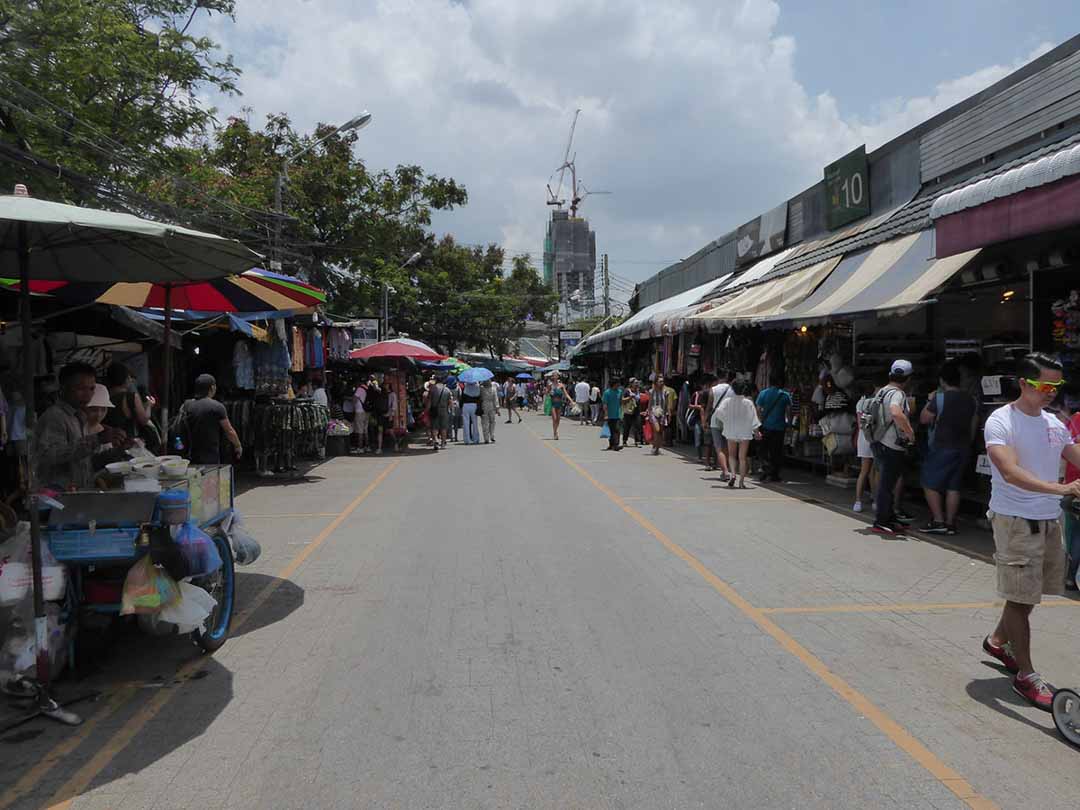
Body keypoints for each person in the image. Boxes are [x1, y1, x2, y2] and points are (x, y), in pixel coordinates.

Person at [981, 353, 1080, 710]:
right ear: (1024, 383)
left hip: (1048, 522)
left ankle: (996, 641)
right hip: (1015, 522)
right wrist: (1062, 490)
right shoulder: (1000, 421)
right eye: (1044, 386)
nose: (1051, 392)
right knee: (1021, 601)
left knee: (1027, 596)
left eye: (1057, 386)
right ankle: (1026, 676)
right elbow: (1009, 471)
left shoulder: (1054, 422)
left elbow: (1073, 454)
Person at [35, 363, 130, 490]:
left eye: (91, 389)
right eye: (81, 389)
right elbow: (49, 455)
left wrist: (118, 451)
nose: (87, 395)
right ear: (63, 388)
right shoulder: (54, 417)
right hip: (58, 497)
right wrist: (97, 439)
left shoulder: (79, 416)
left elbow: (85, 461)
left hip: (79, 492)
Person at [919, 359, 978, 535]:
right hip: (963, 447)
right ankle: (951, 523)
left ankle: (938, 520)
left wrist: (929, 400)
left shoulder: (939, 398)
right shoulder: (971, 399)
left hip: (943, 446)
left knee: (928, 482)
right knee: (954, 486)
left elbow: (924, 419)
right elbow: (974, 424)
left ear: (942, 380)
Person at [871, 360, 916, 536]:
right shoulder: (897, 394)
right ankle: (881, 520)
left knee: (886, 483)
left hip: (878, 442)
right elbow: (896, 412)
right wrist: (910, 432)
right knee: (887, 485)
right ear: (908, 378)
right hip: (891, 444)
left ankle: (888, 517)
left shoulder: (881, 391)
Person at [179, 374, 242, 465]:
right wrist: (238, 445)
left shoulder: (186, 405)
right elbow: (229, 431)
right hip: (210, 456)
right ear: (212, 388)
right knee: (210, 478)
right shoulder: (217, 407)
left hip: (189, 455)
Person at [719, 380, 760, 489]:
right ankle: (741, 482)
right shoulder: (748, 402)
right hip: (745, 432)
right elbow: (754, 419)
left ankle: (732, 474)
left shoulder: (727, 401)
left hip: (731, 430)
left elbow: (719, 413)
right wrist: (757, 432)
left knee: (732, 455)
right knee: (742, 458)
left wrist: (726, 421)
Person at [755, 372, 791, 482]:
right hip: (779, 428)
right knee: (777, 452)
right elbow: (789, 412)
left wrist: (759, 421)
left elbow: (757, 409)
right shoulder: (785, 395)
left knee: (763, 450)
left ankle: (766, 468)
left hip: (765, 426)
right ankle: (774, 474)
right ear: (779, 382)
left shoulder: (763, 393)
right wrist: (788, 424)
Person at [103, 362, 154, 440]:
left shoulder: (103, 395)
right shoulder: (131, 397)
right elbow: (144, 420)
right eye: (129, 377)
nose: (131, 380)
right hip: (125, 442)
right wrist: (149, 405)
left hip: (106, 441)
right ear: (125, 379)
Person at [853, 381, 878, 513]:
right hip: (874, 437)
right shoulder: (876, 402)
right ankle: (874, 500)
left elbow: (859, 424)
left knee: (863, 471)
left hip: (863, 437)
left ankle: (858, 501)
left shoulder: (859, 403)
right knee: (873, 471)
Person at [708, 370, 736, 481]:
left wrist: (705, 419)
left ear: (717, 377)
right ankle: (727, 469)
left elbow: (709, 407)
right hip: (728, 420)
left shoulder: (713, 389)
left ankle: (725, 472)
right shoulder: (732, 389)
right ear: (727, 376)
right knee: (727, 446)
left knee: (719, 448)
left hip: (715, 420)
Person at [690, 377, 712, 462]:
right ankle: (699, 456)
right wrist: (699, 407)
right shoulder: (697, 394)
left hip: (709, 419)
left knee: (709, 441)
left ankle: (709, 459)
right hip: (698, 419)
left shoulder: (713, 394)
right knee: (698, 437)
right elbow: (690, 405)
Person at [428, 377, 451, 450]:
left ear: (436, 381)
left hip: (434, 410)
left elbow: (429, 401)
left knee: (435, 427)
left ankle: (436, 441)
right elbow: (450, 402)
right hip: (444, 410)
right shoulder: (447, 390)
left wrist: (427, 410)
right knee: (443, 428)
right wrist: (449, 410)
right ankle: (443, 444)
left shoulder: (432, 389)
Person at [647, 375, 668, 456]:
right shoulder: (652, 392)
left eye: (662, 381)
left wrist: (667, 414)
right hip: (653, 412)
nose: (661, 383)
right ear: (656, 383)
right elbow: (650, 403)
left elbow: (666, 404)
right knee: (657, 430)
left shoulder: (666, 392)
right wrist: (648, 412)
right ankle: (655, 447)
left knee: (660, 432)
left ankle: (657, 447)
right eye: (660, 381)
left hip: (662, 413)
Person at [601, 377, 623, 451]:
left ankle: (616, 445)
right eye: (617, 383)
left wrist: (621, 412)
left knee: (617, 430)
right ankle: (612, 445)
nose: (619, 385)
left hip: (617, 414)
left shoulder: (619, 392)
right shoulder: (607, 392)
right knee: (611, 431)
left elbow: (620, 402)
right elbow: (605, 404)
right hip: (610, 415)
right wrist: (606, 414)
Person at [547, 373, 571, 440]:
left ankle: (556, 430)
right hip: (553, 404)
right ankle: (555, 433)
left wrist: (572, 401)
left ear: (558, 377)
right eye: (554, 376)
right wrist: (549, 392)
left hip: (559, 404)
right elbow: (546, 393)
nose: (555, 377)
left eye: (556, 375)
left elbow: (566, 394)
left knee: (558, 420)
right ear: (552, 377)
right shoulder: (550, 385)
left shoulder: (561, 385)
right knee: (554, 419)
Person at [620, 379, 641, 448]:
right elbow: (622, 400)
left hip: (636, 411)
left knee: (637, 426)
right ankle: (624, 441)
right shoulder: (627, 391)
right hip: (628, 411)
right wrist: (630, 397)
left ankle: (637, 441)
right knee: (627, 426)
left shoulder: (638, 391)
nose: (637, 384)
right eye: (635, 383)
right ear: (631, 384)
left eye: (637, 383)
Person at [480, 379, 500, 443]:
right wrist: (497, 409)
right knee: (492, 422)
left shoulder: (481, 389)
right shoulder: (493, 389)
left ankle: (486, 438)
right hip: (491, 406)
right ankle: (492, 435)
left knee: (485, 422)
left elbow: (479, 398)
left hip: (484, 406)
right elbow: (496, 399)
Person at [354, 379, 370, 453]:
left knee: (360, 430)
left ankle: (360, 448)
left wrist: (354, 405)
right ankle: (367, 446)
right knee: (365, 430)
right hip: (367, 412)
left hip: (360, 412)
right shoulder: (367, 389)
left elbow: (355, 399)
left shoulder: (359, 389)